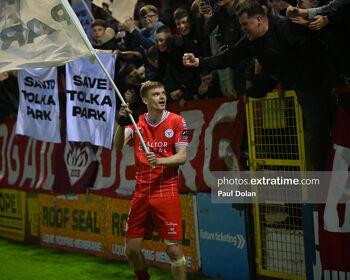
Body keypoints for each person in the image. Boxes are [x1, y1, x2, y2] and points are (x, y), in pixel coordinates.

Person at [183, 0, 338, 170]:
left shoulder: (286, 28)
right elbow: (228, 57)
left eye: (244, 24)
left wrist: (331, 81)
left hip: (324, 82)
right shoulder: (251, 40)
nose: (242, 29)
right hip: (304, 89)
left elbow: (317, 52)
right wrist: (198, 61)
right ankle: (322, 184)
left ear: (258, 20)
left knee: (330, 132)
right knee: (315, 135)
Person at [114, 81, 189, 280]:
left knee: (173, 250)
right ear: (146, 100)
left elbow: (182, 157)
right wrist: (121, 124)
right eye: (156, 94)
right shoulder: (137, 123)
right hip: (141, 194)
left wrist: (160, 160)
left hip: (166, 192)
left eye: (163, 93)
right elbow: (118, 145)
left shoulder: (177, 121)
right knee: (131, 251)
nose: (162, 97)